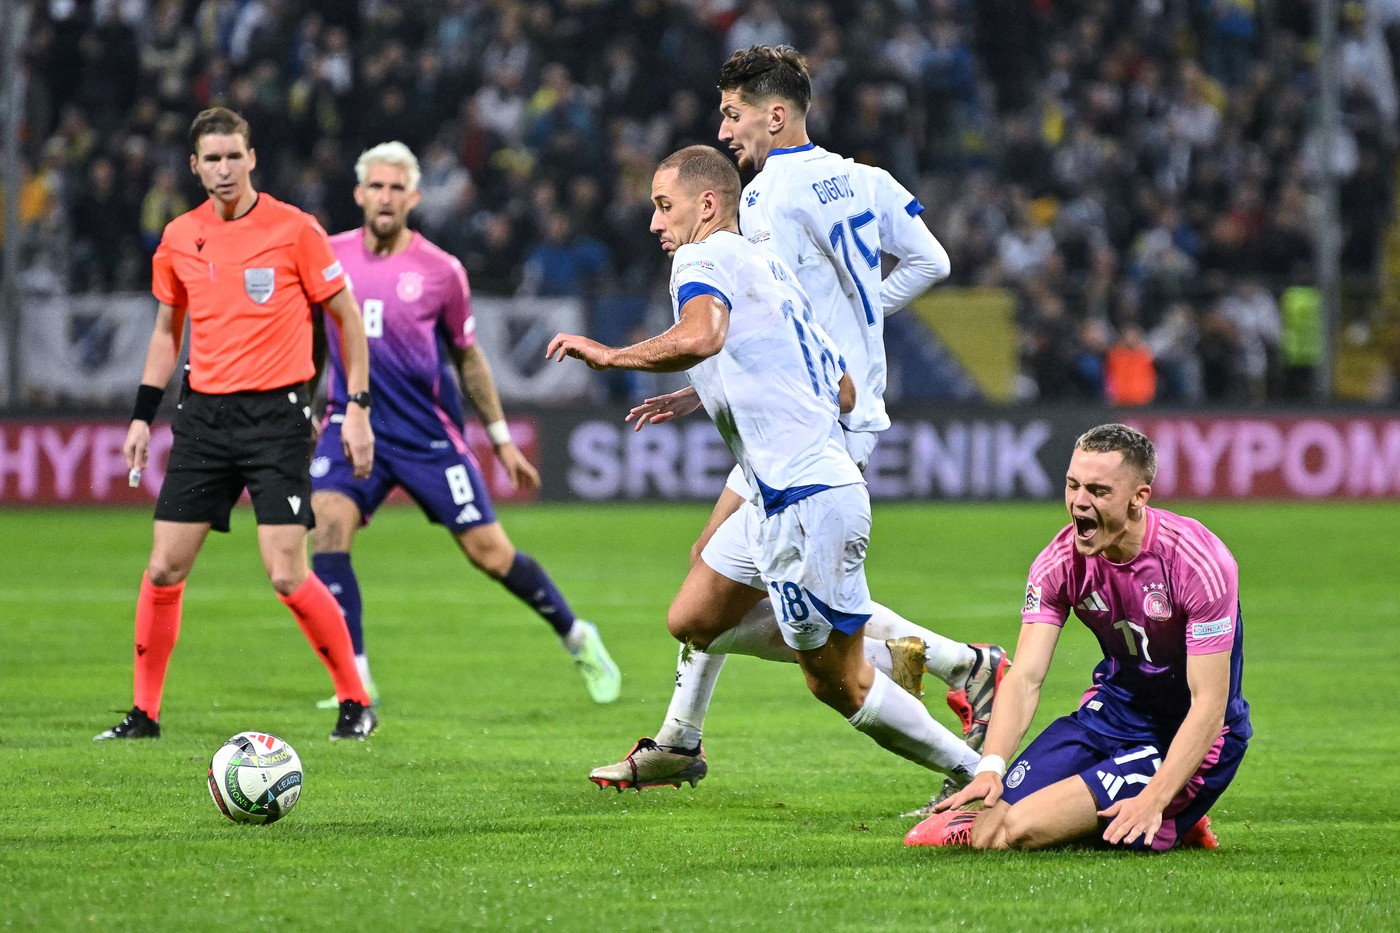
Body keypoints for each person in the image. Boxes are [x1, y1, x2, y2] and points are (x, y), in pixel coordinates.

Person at [588, 45, 1006, 806]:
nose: (725, 131)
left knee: (801, 640)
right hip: (842, 395)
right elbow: (932, 262)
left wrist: (652, 359)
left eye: (733, 114)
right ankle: (684, 735)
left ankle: (955, 670)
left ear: (775, 115)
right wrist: (856, 321)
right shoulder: (867, 179)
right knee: (706, 592)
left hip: (812, 421)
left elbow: (739, 314)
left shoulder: (763, 198)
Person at [96, 106, 379, 743]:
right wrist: (143, 416)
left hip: (275, 416)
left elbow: (348, 320)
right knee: (164, 567)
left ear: (252, 159)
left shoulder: (294, 230)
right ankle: (144, 714)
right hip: (201, 415)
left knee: (285, 571)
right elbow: (167, 333)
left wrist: (355, 405)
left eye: (234, 156)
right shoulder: (178, 237)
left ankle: (355, 700)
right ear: (194, 167)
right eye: (211, 159)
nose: (224, 169)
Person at [308, 141, 621, 708]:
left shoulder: (440, 270)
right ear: (358, 193)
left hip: (427, 437)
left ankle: (578, 636)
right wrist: (310, 413)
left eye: (396, 188)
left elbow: (468, 358)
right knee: (328, 527)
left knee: (491, 554)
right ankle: (354, 680)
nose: (385, 197)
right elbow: (309, 342)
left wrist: (500, 440)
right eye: (375, 186)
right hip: (351, 425)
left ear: (414, 197)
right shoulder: (327, 257)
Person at [906, 423, 1251, 851]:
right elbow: (1025, 676)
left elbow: (1209, 708)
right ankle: (1168, 816)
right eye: (1072, 485)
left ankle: (1179, 808)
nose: (1079, 503)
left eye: (1098, 491)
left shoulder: (1197, 563)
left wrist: (1154, 799)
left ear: (1139, 498)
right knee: (988, 820)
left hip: (1191, 737)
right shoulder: (1058, 562)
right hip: (1110, 718)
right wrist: (990, 767)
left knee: (1012, 832)